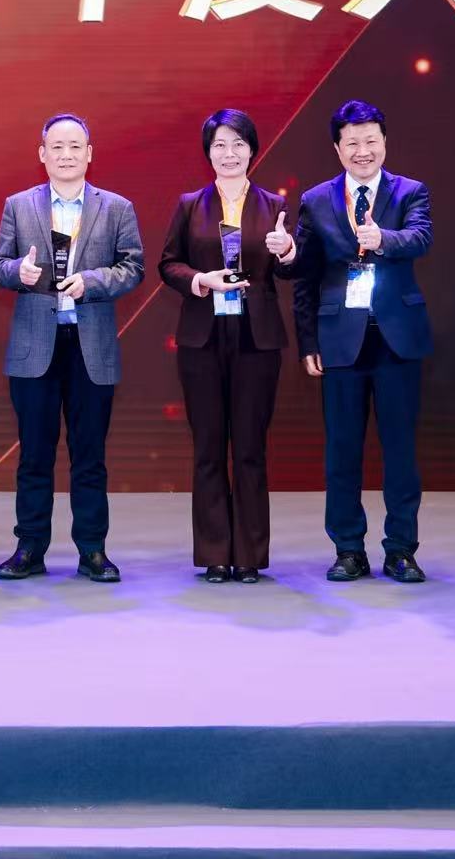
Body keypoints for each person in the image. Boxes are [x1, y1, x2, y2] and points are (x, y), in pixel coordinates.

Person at [0, 113, 144, 583]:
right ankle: (29, 548)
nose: (66, 154)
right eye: (56, 146)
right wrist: (19, 273)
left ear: (89, 153)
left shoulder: (116, 207)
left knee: (89, 455)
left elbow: (133, 268)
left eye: (75, 146)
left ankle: (93, 550)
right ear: (42, 154)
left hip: (90, 347)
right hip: (35, 345)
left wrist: (91, 282)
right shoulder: (18, 205)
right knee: (34, 456)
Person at [291, 100, 433, 584]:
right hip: (339, 341)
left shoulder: (410, 191)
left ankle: (401, 550)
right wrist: (307, 340)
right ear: (337, 148)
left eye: (371, 140)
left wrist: (382, 239)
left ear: (385, 142)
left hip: (397, 340)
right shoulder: (316, 200)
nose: (362, 150)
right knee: (342, 451)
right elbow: (304, 277)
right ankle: (348, 549)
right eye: (352, 142)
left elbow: (421, 238)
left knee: (400, 451)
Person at [157, 109, 298, 583]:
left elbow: (290, 272)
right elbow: (168, 264)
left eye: (238, 144)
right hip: (202, 337)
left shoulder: (274, 205)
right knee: (209, 447)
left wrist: (287, 251)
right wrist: (202, 280)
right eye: (219, 144)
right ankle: (215, 553)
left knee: (251, 448)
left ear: (252, 150)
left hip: (257, 338)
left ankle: (250, 555)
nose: (229, 153)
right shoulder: (189, 205)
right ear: (208, 153)